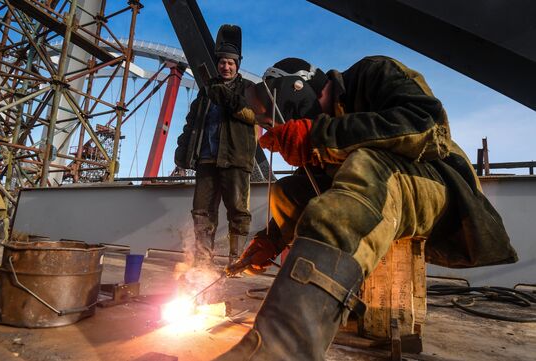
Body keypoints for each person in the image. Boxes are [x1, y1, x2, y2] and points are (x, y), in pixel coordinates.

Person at [213, 56, 517, 360]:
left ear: (295, 90)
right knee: (287, 191)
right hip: (381, 187)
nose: (275, 127)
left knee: (365, 165)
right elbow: (309, 191)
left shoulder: (375, 72)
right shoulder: (328, 127)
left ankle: (283, 347)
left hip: (442, 183)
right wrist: (272, 238)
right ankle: (332, 299)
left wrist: (319, 135)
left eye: (274, 120)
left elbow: (431, 127)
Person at [174, 25, 257, 267]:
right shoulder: (205, 92)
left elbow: (252, 115)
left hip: (235, 160)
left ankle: (236, 260)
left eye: (231, 63)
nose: (226, 66)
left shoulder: (248, 90)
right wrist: (183, 150)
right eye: (222, 62)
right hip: (206, 160)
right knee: (202, 212)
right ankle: (203, 261)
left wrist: (224, 95)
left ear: (237, 65)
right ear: (217, 64)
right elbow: (191, 124)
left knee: (238, 212)